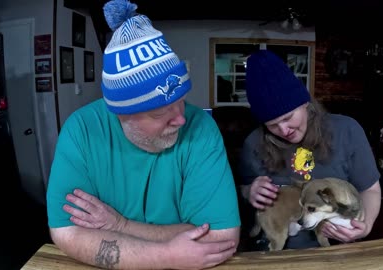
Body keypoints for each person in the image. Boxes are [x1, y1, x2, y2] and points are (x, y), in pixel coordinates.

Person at [46, 0, 240, 269]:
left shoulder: (201, 128)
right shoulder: (81, 132)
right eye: (160, 113)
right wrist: (167, 255)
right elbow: (67, 233)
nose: (181, 118)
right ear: (121, 115)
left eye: (181, 100)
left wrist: (120, 225)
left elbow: (221, 239)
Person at [238, 49, 381, 250]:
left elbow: (370, 189)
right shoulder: (253, 143)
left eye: (288, 118)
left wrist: (365, 227)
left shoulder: (347, 131)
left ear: (304, 102)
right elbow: (241, 191)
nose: (283, 130)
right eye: (272, 125)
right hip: (275, 249)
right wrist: (249, 192)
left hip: (335, 248)